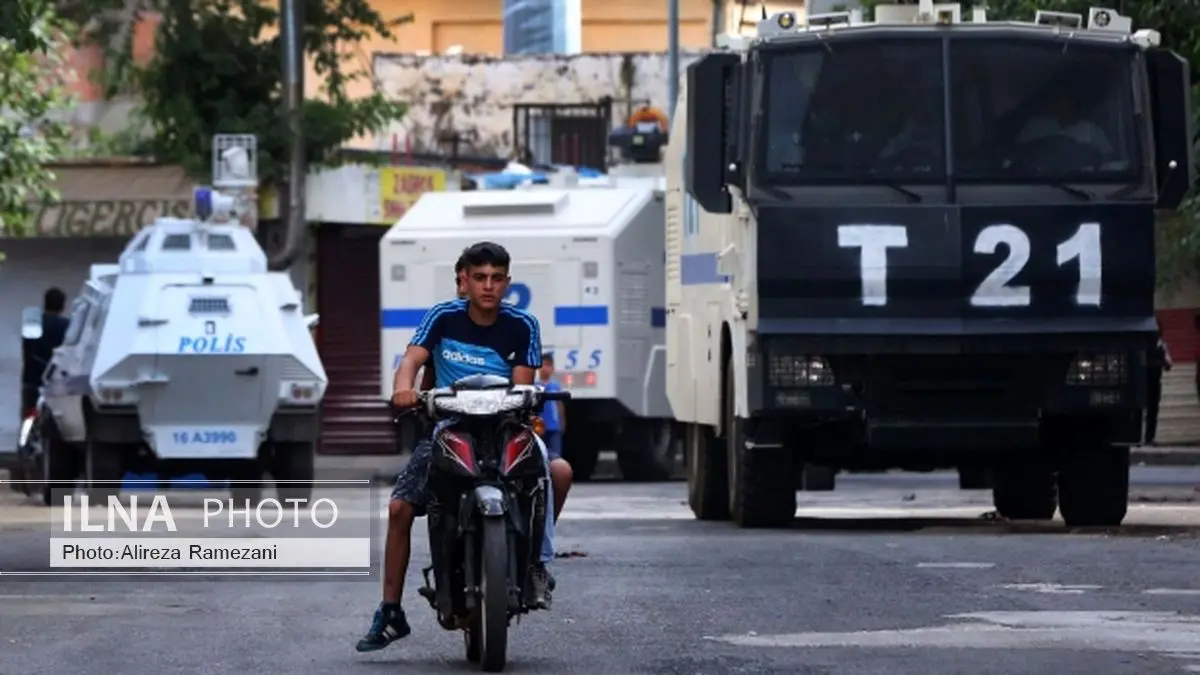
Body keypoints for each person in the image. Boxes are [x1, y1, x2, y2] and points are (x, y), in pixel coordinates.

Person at [357, 241, 556, 653]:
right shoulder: (443, 317)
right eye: (479, 278)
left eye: (497, 278)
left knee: (560, 473)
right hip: (449, 428)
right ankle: (390, 611)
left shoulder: (523, 325)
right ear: (463, 281)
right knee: (399, 509)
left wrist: (522, 400)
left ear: (507, 282)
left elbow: (521, 386)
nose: (488, 286)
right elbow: (411, 360)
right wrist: (403, 390)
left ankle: (535, 564)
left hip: (505, 428)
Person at [20, 288, 70, 416]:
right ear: (62, 306)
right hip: (54, 382)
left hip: (31, 378)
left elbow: (26, 350)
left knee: (29, 415)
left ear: (45, 303)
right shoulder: (66, 326)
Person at [536, 352, 572, 522]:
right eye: (543, 364)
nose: (546, 368)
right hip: (541, 427)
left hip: (554, 426)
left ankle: (554, 479)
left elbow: (559, 405)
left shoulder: (555, 385)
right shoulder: (535, 385)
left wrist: (562, 421)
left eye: (549, 365)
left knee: (556, 457)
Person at [1145, 318, 1173, 446]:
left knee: (1153, 411)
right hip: (1144, 382)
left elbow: (1168, 364)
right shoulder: (1144, 345)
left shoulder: (1162, 345)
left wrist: (1163, 363)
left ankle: (1149, 437)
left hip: (1155, 382)